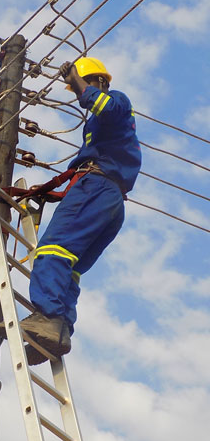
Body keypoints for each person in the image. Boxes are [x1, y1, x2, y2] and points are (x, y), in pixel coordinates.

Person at [20, 57, 142, 363]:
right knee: (70, 267)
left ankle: (48, 317)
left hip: (97, 188)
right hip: (107, 197)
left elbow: (106, 106)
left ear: (99, 81)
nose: (77, 93)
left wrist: (77, 81)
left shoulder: (116, 102)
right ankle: (57, 328)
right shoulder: (101, 126)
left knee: (51, 250)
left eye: (83, 85)